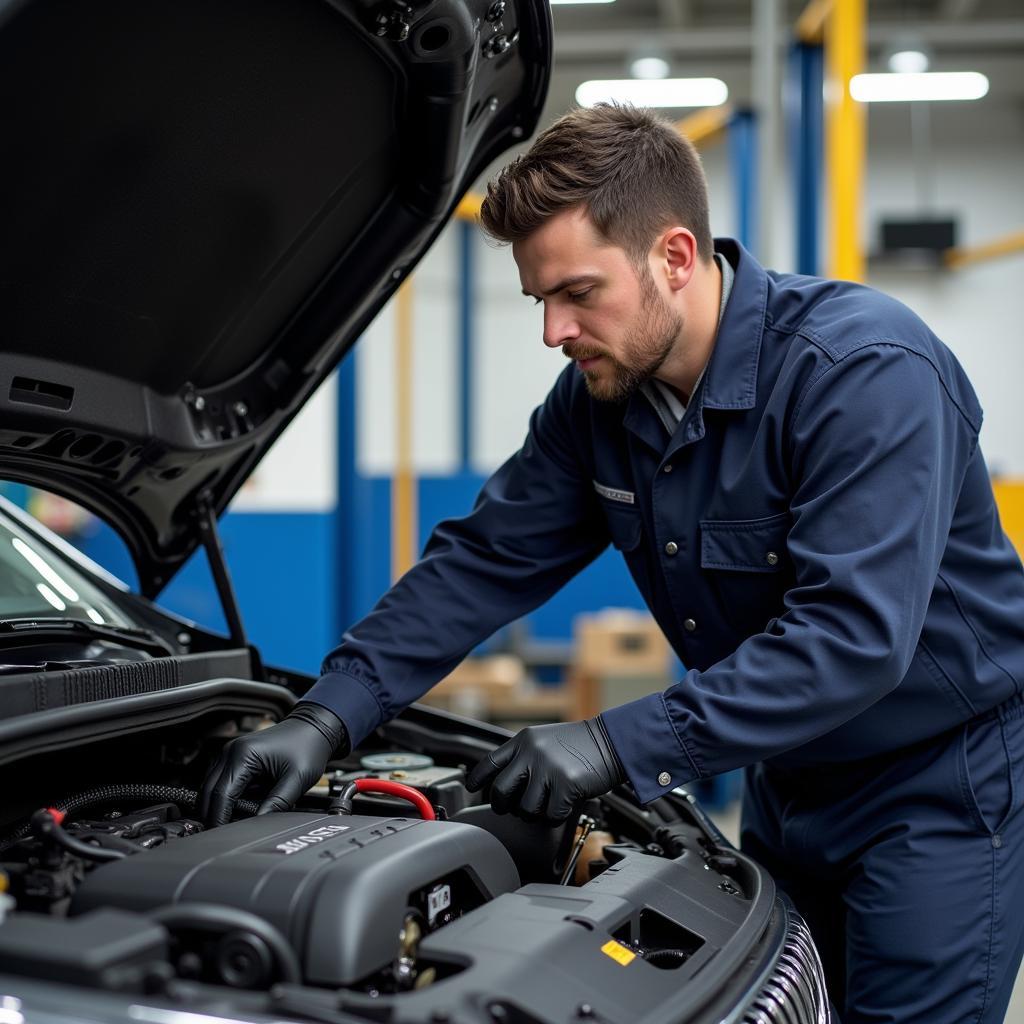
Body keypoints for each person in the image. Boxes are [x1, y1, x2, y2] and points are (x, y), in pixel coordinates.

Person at [200, 104, 1024, 1023]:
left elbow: (853, 637)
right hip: (787, 782)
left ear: (674, 257)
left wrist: (612, 744)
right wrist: (328, 713)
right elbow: (481, 561)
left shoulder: (862, 371)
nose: (554, 331)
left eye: (580, 293)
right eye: (540, 300)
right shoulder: (598, 403)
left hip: (937, 790)